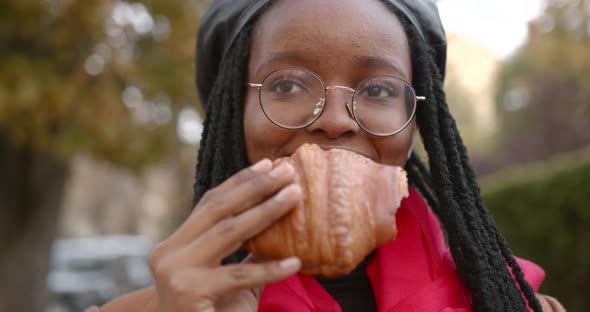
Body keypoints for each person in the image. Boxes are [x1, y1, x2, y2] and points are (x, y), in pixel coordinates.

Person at [86, 0, 565, 311]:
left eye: (378, 88)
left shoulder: (515, 303)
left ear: (417, 120)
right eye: (287, 84)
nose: (335, 119)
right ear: (237, 116)